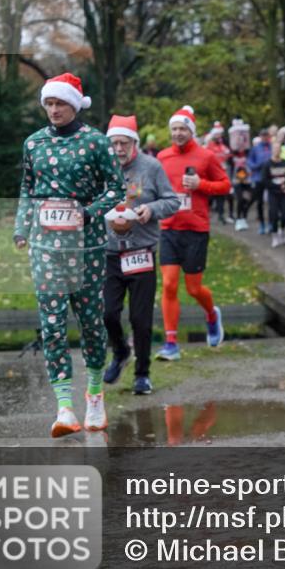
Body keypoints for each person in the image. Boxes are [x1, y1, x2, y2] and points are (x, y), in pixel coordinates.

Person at [13, 73, 125, 436]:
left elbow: (116, 188)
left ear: (74, 105)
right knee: (52, 324)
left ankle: (94, 396)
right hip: (46, 247)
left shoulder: (95, 142)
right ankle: (64, 408)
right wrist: (21, 227)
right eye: (49, 103)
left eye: (60, 103)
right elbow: (28, 189)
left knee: (91, 321)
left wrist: (90, 212)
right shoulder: (33, 143)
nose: (54, 109)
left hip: (87, 246)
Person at [102, 114, 180, 395]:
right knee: (108, 313)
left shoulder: (151, 167)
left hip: (141, 252)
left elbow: (172, 200)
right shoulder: (103, 167)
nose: (119, 149)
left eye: (124, 143)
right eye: (114, 144)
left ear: (134, 143)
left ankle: (142, 374)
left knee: (141, 318)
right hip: (110, 253)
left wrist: (152, 210)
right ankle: (121, 352)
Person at [155, 105, 230, 361]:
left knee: (194, 289)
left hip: (196, 229)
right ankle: (171, 342)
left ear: (191, 131)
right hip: (169, 228)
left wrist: (201, 184)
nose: (178, 133)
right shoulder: (162, 157)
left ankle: (211, 315)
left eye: (182, 129)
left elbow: (225, 185)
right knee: (168, 284)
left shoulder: (206, 157)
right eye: (174, 129)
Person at [266, 139, 285, 248]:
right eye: (275, 149)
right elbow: (265, 180)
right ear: (272, 150)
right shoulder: (267, 164)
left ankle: (282, 231)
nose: (277, 151)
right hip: (274, 193)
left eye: (278, 149)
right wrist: (278, 187)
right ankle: (274, 235)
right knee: (273, 215)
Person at [206, 121, 234, 225]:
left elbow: (229, 156)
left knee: (222, 195)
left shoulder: (224, 146)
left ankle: (221, 215)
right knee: (211, 196)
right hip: (212, 176)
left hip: (223, 174)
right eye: (217, 134)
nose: (219, 136)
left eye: (220, 134)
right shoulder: (209, 146)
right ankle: (207, 212)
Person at [227, 118, 253, 231]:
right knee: (240, 199)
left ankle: (244, 218)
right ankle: (238, 219)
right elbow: (229, 168)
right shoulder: (231, 155)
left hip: (247, 180)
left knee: (247, 199)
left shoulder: (249, 153)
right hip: (236, 181)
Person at [246, 127, 273, 235]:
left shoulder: (272, 147)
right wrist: (256, 166)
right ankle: (262, 224)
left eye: (267, 135)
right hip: (258, 178)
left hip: (271, 178)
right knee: (260, 202)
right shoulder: (256, 148)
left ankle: (271, 223)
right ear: (260, 137)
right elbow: (249, 161)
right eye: (263, 135)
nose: (265, 137)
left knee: (272, 202)